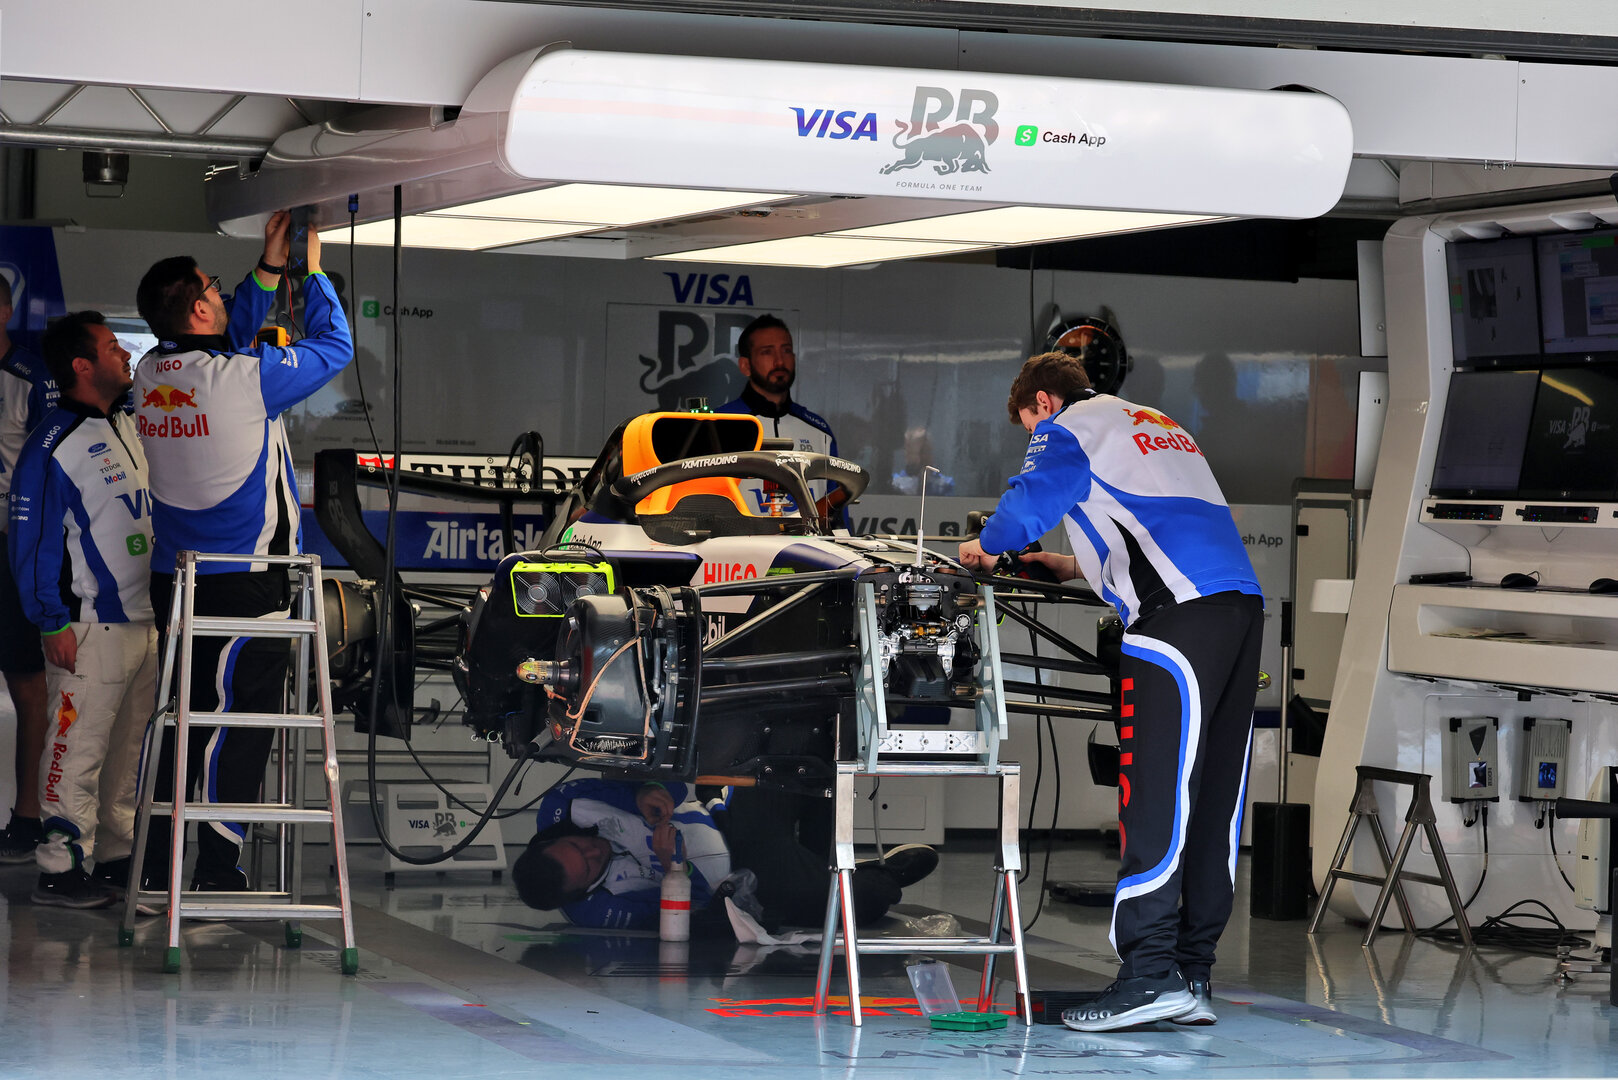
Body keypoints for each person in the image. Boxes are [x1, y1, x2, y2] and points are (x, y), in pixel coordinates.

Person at [957, 351, 1262, 1032]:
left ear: (1041, 401)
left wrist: (988, 546)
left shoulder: (1069, 423)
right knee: (1211, 801)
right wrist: (1066, 565)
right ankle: (1189, 973)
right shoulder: (1157, 423)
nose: (1031, 435)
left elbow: (1021, 512)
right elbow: (1152, 526)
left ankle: (1147, 976)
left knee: (1153, 795)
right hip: (1237, 610)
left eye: (1026, 424)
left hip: (1175, 620)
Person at [132, 211, 352, 890]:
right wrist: (311, 270)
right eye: (216, 288)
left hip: (178, 579)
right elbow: (336, 345)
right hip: (250, 584)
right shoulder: (245, 379)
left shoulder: (149, 372)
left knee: (184, 720)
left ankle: (162, 859)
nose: (225, 295)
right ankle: (218, 866)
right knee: (241, 726)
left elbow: (223, 346)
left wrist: (265, 267)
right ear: (200, 305)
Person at [9, 311, 156, 907]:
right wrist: (50, 619)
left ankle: (117, 858)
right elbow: (32, 540)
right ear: (81, 365)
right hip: (87, 626)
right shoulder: (51, 442)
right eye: (111, 346)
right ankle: (59, 867)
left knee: (127, 753)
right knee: (77, 749)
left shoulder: (130, 422)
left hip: (146, 621)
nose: (124, 353)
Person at [512, 779, 937, 932]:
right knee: (856, 905)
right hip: (749, 880)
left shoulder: (563, 805)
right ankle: (882, 874)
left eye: (577, 846)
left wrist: (646, 792)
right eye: (588, 866)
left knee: (799, 763)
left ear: (548, 840)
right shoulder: (596, 912)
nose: (592, 850)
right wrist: (671, 869)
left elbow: (665, 778)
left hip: (727, 813)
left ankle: (826, 864)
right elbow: (694, 918)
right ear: (582, 891)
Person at [0, 277, 59, 863]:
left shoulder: (32, 376)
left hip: (11, 544)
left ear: (7, 309)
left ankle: (27, 816)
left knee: (26, 681)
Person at [716, 315, 848, 527]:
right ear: (745, 365)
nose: (779, 361)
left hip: (806, 557)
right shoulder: (718, 425)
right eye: (767, 352)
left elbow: (839, 519)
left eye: (786, 350)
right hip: (737, 557)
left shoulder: (819, 431)